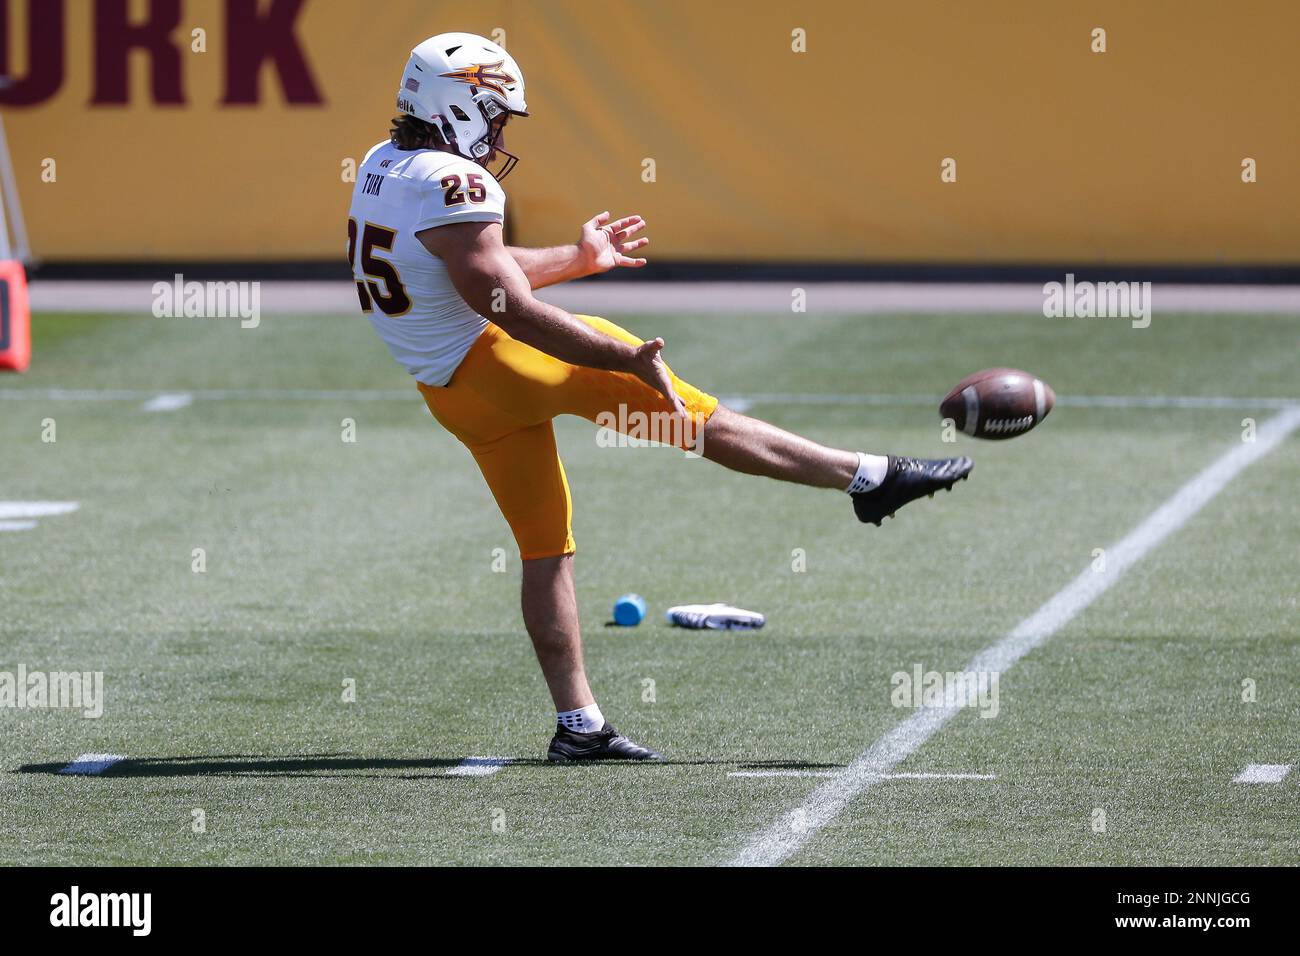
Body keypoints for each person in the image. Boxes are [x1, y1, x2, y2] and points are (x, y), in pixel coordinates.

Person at [346, 32, 973, 762]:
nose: (499, 129)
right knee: (702, 423)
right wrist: (623, 357)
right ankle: (869, 478)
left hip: (454, 395)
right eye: (493, 110)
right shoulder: (459, 183)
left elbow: (466, 264)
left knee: (546, 550)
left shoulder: (379, 165)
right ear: (455, 101)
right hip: (510, 364)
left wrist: (576, 260)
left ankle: (578, 725)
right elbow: (504, 304)